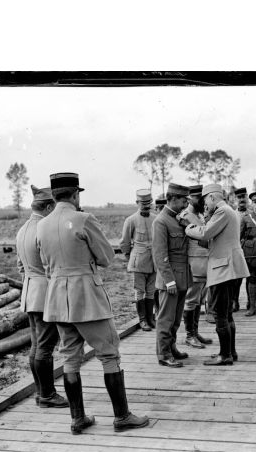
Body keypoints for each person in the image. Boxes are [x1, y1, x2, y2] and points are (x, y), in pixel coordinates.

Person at [37, 172, 149, 434]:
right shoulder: (84, 219)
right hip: (87, 297)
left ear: (54, 195)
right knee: (109, 354)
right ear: (76, 194)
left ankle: (77, 419)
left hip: (58, 301)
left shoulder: (42, 225)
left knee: (70, 357)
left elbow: (45, 264)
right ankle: (122, 417)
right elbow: (107, 257)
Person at [185, 183, 249, 365]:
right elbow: (215, 239)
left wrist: (188, 228)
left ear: (212, 197)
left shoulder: (222, 211)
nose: (205, 205)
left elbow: (205, 233)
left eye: (206, 201)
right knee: (227, 314)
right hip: (230, 267)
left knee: (221, 314)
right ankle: (230, 352)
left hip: (223, 269)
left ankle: (225, 355)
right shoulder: (230, 211)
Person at [15, 185, 68, 409]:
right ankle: (47, 395)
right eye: (54, 207)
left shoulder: (22, 229)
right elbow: (52, 265)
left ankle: (41, 392)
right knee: (45, 347)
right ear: (47, 207)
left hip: (29, 293)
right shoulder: (44, 229)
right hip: (45, 294)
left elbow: (20, 267)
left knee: (36, 345)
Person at [152, 183, 193, 367]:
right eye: (183, 200)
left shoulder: (178, 219)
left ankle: (172, 347)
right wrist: (169, 281)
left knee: (176, 319)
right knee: (166, 319)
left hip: (182, 277)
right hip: (170, 280)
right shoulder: (160, 221)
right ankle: (164, 354)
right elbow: (160, 255)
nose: (186, 204)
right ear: (173, 199)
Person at [179, 184, 213, 349]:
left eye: (202, 197)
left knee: (199, 299)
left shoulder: (199, 215)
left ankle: (195, 332)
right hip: (194, 263)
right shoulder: (186, 216)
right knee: (191, 300)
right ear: (189, 198)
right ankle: (189, 335)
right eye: (198, 197)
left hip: (204, 262)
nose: (201, 200)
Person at [120, 189, 156, 331]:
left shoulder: (156, 219)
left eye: (148, 203)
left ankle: (151, 318)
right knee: (140, 290)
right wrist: (130, 258)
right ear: (137, 203)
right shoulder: (131, 220)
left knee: (151, 290)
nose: (146, 206)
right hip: (138, 262)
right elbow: (125, 243)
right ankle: (142, 320)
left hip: (153, 261)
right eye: (143, 203)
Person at [232, 186, 249, 311]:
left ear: (247, 198)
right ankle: (235, 301)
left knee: (251, 277)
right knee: (236, 279)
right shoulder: (232, 214)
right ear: (235, 199)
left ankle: (250, 302)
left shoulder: (252, 213)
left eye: (243, 197)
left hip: (250, 250)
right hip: (237, 250)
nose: (241, 199)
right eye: (239, 197)